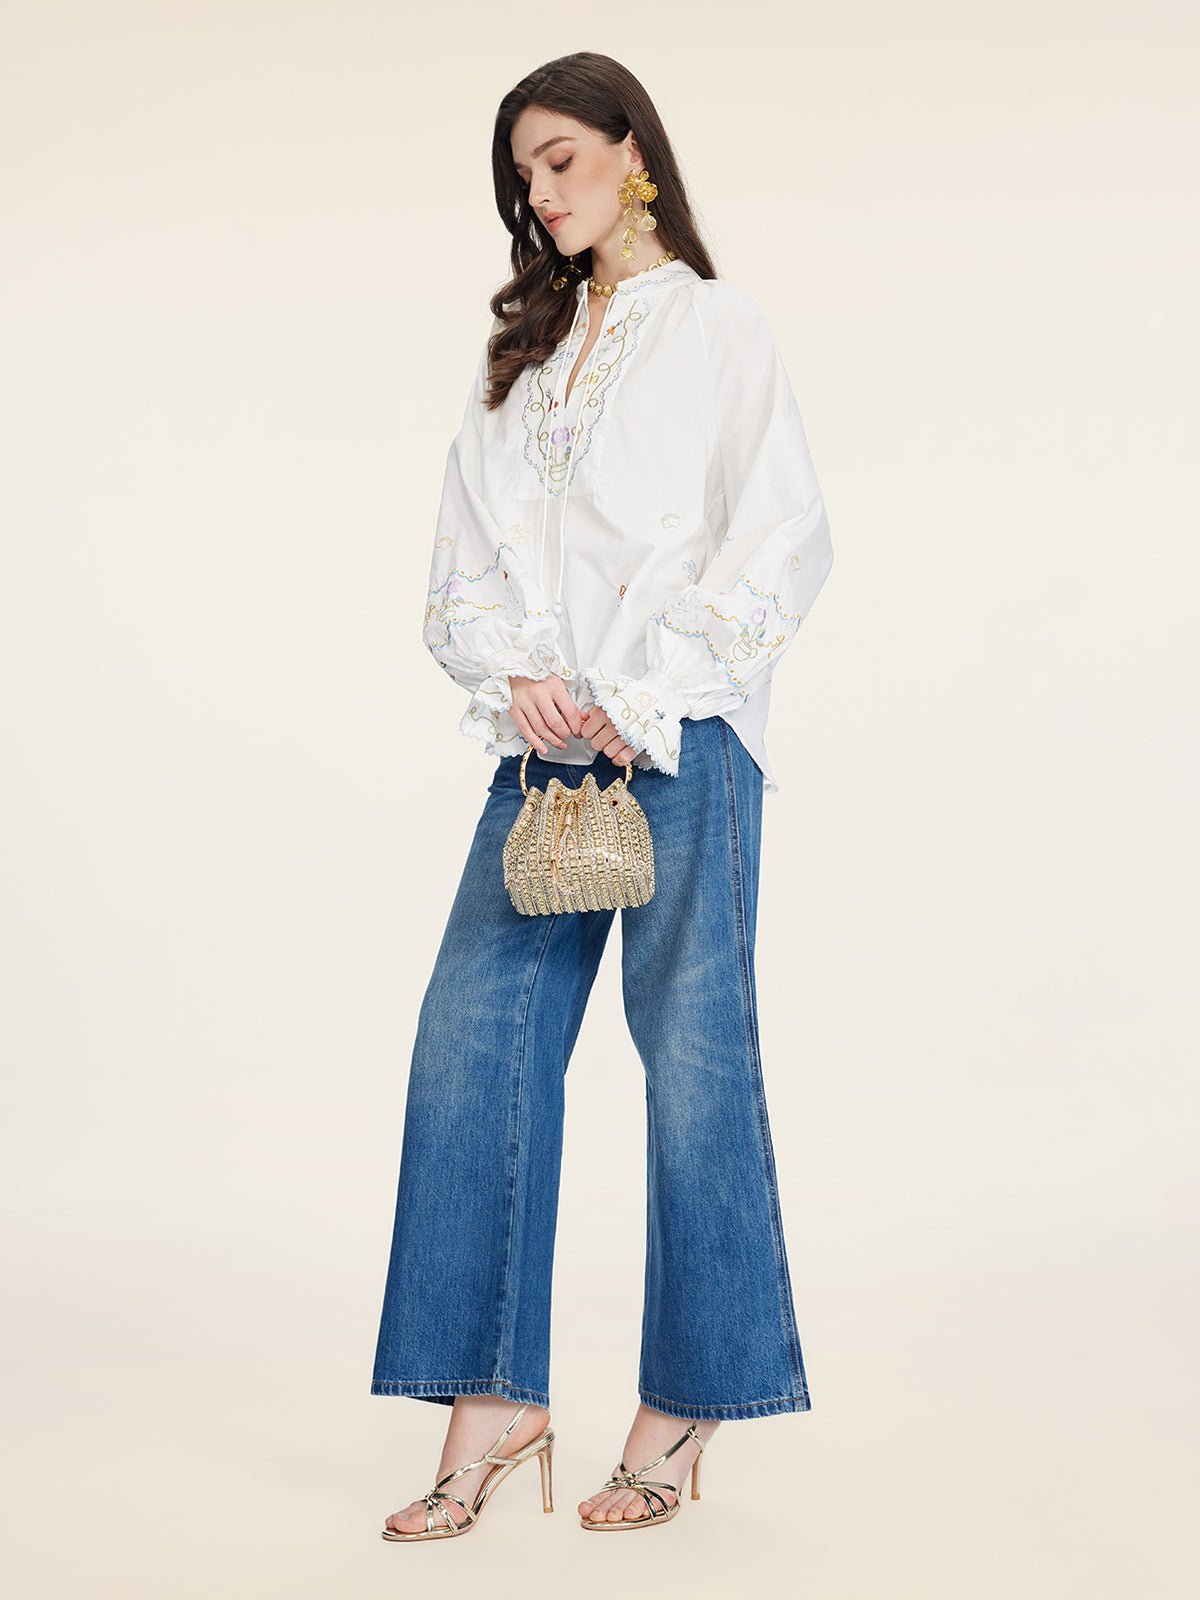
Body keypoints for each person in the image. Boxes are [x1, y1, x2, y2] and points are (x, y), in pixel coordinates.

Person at [373, 51, 834, 1540]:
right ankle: (492, 1402)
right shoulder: (524, 359)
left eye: (560, 157)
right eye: (523, 172)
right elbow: (463, 560)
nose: (540, 190)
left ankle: (689, 1403)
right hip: (546, 755)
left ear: (634, 152)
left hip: (681, 745)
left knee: (692, 1060)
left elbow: (782, 536)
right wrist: (520, 676)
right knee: (472, 1044)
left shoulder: (717, 327)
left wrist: (645, 697)